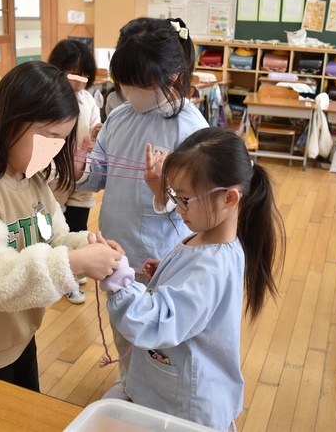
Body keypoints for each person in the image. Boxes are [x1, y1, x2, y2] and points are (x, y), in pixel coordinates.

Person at [0, 61, 122, 400]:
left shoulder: (31, 178)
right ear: (5, 118)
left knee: (27, 413)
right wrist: (76, 263)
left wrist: (88, 245)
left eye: (61, 140)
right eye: (48, 137)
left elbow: (56, 236)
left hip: (18, 330)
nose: (54, 149)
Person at [101, 127, 285, 431]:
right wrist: (167, 271)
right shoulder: (210, 238)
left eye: (184, 198)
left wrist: (120, 280)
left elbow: (159, 322)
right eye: (174, 194)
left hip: (187, 403)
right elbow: (195, 292)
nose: (176, 206)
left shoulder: (211, 264)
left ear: (228, 198)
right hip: (183, 385)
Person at [75, 17, 209, 398]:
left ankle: (158, 396)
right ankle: (128, 383)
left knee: (162, 341)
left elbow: (200, 212)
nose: (131, 91)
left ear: (174, 74)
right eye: (125, 82)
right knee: (124, 329)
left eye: (142, 82)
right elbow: (95, 179)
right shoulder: (119, 117)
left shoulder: (192, 131)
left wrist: (163, 192)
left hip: (162, 258)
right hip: (116, 254)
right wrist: (80, 165)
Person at [47, 39, 103, 305]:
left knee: (78, 226)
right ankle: (64, 277)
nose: (80, 82)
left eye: (84, 77)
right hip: (55, 179)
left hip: (81, 177)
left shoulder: (88, 100)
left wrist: (96, 133)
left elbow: (95, 125)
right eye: (74, 75)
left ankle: (75, 269)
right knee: (56, 228)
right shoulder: (49, 98)